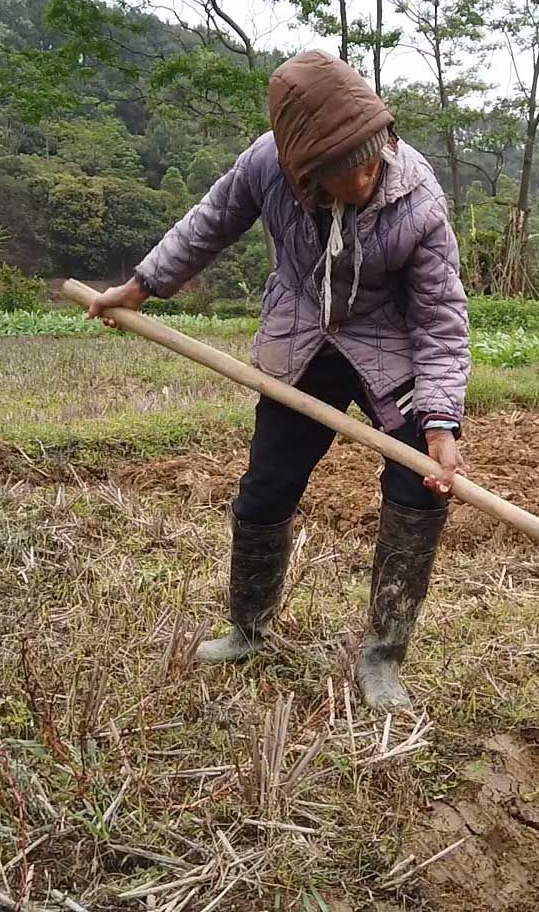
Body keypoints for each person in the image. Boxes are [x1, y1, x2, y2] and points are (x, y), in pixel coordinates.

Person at [85, 50, 470, 712]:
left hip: (391, 344)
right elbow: (208, 226)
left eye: (373, 162)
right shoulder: (266, 164)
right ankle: (249, 626)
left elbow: (439, 321)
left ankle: (382, 657)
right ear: (305, 172)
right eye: (347, 173)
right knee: (266, 486)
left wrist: (439, 425)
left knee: (421, 489)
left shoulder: (419, 199)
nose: (366, 179)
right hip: (301, 336)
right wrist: (142, 286)